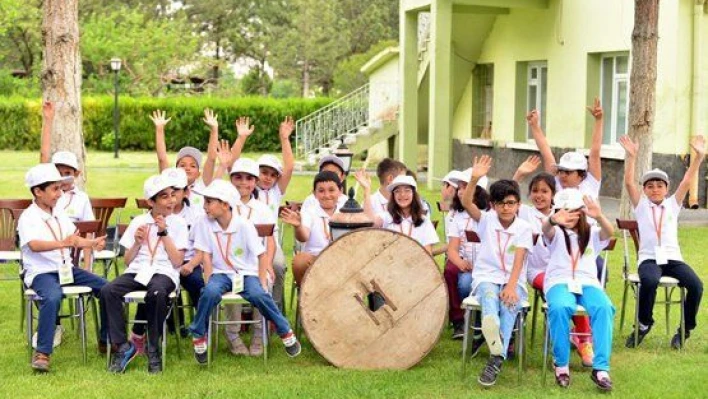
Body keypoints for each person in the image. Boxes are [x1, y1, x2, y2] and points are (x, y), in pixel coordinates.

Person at [188, 180, 301, 365]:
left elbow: (261, 254)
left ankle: (285, 331)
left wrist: (263, 281)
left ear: (225, 205)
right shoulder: (204, 223)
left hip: (246, 273)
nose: (204, 206)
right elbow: (206, 256)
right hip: (220, 273)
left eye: (209, 202)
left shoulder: (244, 225)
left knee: (259, 294)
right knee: (208, 292)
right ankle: (198, 335)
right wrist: (208, 280)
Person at [19, 163, 107, 372]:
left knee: (107, 289)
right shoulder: (28, 217)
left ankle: (107, 341)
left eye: (60, 188)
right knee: (52, 297)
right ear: (38, 192)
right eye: (55, 189)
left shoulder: (58, 212)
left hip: (65, 268)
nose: (60, 194)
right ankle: (43, 353)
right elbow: (34, 245)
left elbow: (73, 239)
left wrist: (92, 243)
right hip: (41, 273)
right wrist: (64, 243)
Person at [620, 135, 705, 349]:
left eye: (660, 185)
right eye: (650, 186)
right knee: (649, 281)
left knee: (696, 285)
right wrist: (631, 157)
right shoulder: (641, 206)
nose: (655, 189)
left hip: (672, 259)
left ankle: (685, 330)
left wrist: (699, 157)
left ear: (666, 189)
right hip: (649, 259)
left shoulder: (673, 205)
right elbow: (629, 182)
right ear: (645, 190)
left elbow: (686, 181)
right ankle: (644, 324)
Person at [102, 175, 189, 374]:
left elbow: (177, 261)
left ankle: (153, 349)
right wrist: (136, 243)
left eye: (172, 195)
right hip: (138, 270)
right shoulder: (140, 221)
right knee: (108, 291)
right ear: (151, 202)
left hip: (164, 271)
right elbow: (127, 261)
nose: (171, 201)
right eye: (164, 197)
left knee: (157, 293)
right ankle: (123, 347)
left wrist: (164, 233)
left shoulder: (178, 223)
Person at [514, 156, 595, 366]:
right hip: (538, 271)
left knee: (576, 288)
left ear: (554, 195)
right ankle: (582, 336)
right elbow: (509, 195)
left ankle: (582, 338)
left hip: (569, 270)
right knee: (565, 289)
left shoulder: (564, 212)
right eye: (535, 191)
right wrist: (520, 174)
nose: (539, 196)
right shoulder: (524, 212)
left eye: (544, 191)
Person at [460, 155, 533, 387]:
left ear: (518, 205)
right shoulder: (486, 220)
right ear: (493, 205)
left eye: (511, 203)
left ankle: (495, 356)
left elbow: (520, 259)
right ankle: (494, 339)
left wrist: (512, 286)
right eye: (501, 203)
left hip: (514, 280)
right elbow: (466, 203)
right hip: (487, 277)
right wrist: (474, 178)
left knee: (509, 302)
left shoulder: (524, 227)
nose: (506, 207)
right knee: (490, 296)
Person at [542, 189, 615, 391]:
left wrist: (599, 215)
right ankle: (561, 365)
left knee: (604, 308)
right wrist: (553, 220)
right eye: (564, 211)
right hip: (559, 282)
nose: (569, 215)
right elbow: (545, 229)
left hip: (588, 283)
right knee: (559, 307)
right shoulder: (555, 232)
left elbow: (609, 233)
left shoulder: (591, 232)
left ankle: (601, 369)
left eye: (574, 211)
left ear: (582, 212)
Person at [38, 101, 97, 348]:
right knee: (51, 289)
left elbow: (89, 230)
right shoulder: (46, 197)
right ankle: (54, 327)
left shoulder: (81, 198)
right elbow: (42, 158)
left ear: (77, 173)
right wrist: (48, 121)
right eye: (58, 171)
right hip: (47, 258)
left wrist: (87, 264)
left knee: (98, 284)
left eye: (68, 171)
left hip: (73, 257)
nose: (63, 176)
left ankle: (107, 340)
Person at [129, 167, 205, 353]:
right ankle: (166, 328)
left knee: (197, 283)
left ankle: (201, 328)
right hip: (160, 265)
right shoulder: (153, 215)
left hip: (189, 261)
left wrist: (191, 264)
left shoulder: (196, 214)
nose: (172, 197)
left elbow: (204, 245)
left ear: (186, 192)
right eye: (167, 193)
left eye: (176, 191)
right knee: (150, 283)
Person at [225, 116, 296, 312]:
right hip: (240, 241)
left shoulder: (275, 192)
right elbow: (232, 166)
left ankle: (273, 308)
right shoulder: (243, 189)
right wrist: (241, 138)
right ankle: (243, 310)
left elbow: (289, 167)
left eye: (273, 175)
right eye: (264, 172)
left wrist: (284, 139)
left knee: (279, 266)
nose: (268, 178)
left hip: (268, 242)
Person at [222, 157, 278, 357]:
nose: (243, 183)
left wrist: (269, 264)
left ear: (255, 182)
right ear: (231, 179)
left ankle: (258, 335)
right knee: (231, 287)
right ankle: (233, 335)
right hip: (229, 265)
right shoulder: (224, 206)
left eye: (248, 178)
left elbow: (270, 239)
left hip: (255, 265)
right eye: (238, 177)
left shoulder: (262, 209)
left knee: (265, 285)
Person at [442, 169, 489, 341]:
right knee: (453, 274)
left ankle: (477, 320)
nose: (461, 190)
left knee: (467, 282)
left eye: (466, 186)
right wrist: (461, 263)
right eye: (460, 187)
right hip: (465, 263)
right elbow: (452, 248)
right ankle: (459, 321)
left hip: (486, 267)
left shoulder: (489, 216)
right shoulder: (457, 216)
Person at [527, 99, 604, 199]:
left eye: (568, 172)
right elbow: (546, 151)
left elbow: (595, 152)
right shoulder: (555, 183)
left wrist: (599, 120)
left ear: (581, 175)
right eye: (561, 171)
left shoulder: (591, 183)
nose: (562, 175)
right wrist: (534, 126)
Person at [281, 171, 343, 286]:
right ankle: (307, 298)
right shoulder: (310, 211)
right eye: (321, 191)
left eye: (331, 190)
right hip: (315, 259)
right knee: (300, 261)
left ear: (340, 191)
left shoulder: (345, 211)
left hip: (341, 260)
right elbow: (303, 237)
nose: (326, 195)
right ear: (314, 194)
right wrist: (298, 226)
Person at [151, 108, 219, 208]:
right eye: (182, 165)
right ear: (175, 170)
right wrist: (159, 129)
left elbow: (211, 159)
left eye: (193, 166)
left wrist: (214, 130)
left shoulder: (203, 185)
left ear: (199, 174)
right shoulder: (169, 183)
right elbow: (162, 159)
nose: (187, 168)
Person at [357, 173, 439, 254]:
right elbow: (370, 222)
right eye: (397, 191)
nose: (402, 194)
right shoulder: (387, 217)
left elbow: (427, 255)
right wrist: (367, 190)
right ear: (393, 196)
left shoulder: (424, 221)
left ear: (414, 194)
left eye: (407, 190)